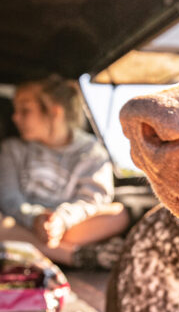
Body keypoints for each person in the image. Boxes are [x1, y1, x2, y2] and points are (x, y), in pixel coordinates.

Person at [0, 76, 129, 267]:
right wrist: (35, 218)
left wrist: (60, 220)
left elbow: (93, 199)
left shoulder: (91, 151)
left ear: (54, 112)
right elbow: (9, 199)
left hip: (68, 227)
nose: (15, 117)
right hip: (22, 223)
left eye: (24, 110)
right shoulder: (12, 148)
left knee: (118, 214)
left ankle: (33, 250)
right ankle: (74, 256)